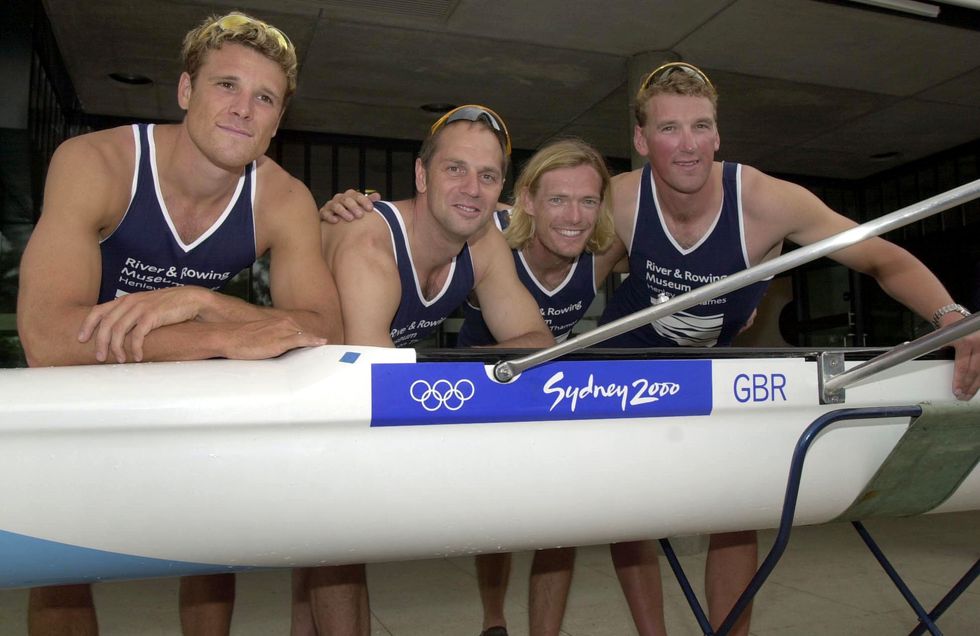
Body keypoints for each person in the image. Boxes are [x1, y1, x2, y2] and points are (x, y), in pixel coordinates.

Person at [591, 61, 979, 636]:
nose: (689, 145)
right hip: (628, 359)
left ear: (718, 134)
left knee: (738, 504)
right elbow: (560, 283)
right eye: (669, 129)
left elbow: (879, 257)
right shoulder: (621, 202)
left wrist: (954, 319)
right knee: (634, 509)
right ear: (642, 141)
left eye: (701, 126)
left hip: (713, 361)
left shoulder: (767, 200)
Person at [16, 12, 343, 636]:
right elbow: (50, 338)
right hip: (82, 378)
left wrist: (202, 299)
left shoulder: (283, 199)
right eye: (226, 85)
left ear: (277, 123)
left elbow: (321, 327)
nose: (243, 109)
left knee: (212, 541)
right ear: (187, 91)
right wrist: (222, 336)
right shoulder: (97, 162)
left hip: (171, 366)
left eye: (264, 98)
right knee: (61, 559)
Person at [299, 105, 554, 635]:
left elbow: (536, 342)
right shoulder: (370, 244)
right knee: (340, 541)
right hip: (298, 392)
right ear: (420, 174)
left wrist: (451, 371)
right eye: (454, 169)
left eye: (487, 176)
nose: (471, 188)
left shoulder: (482, 245)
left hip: (344, 387)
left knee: (320, 564)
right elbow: (375, 390)